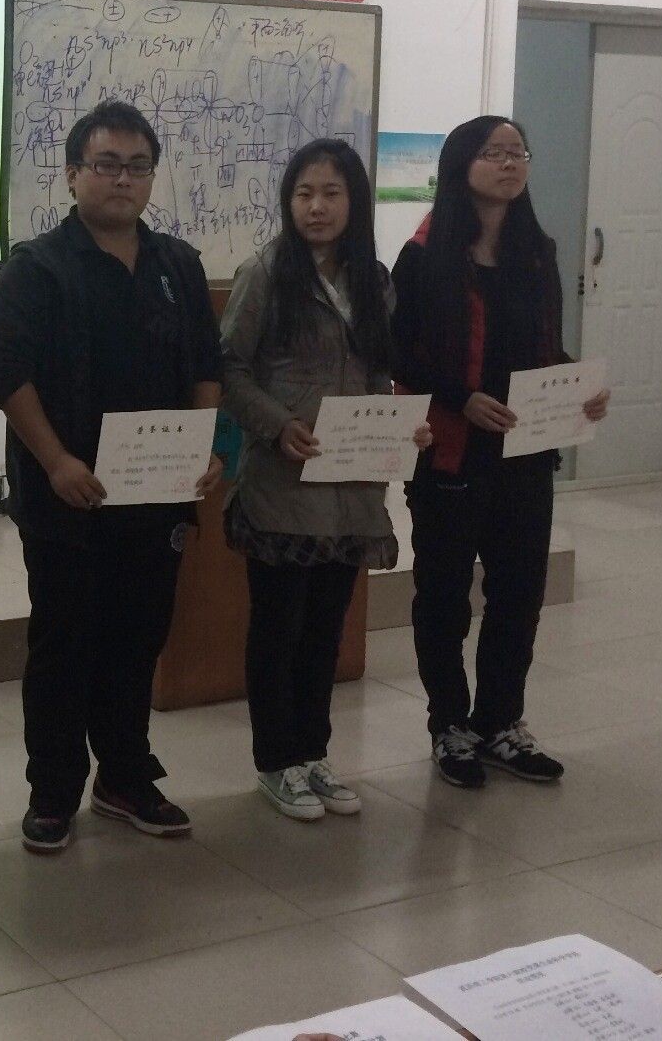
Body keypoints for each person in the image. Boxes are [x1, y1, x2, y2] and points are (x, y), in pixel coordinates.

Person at [0, 98, 224, 854]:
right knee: (64, 646)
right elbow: (6, 370)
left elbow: (206, 366)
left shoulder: (177, 265)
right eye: (106, 164)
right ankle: (53, 790)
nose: (122, 179)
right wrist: (55, 460)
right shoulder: (37, 267)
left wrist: (205, 446)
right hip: (68, 499)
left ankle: (124, 776)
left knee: (137, 640)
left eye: (137, 167)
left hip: (157, 497)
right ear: (72, 173)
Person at [391, 116, 608, 789]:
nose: (510, 163)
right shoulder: (424, 254)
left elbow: (545, 347)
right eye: (494, 153)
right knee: (444, 597)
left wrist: (578, 388)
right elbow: (397, 353)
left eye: (518, 152)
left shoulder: (536, 252)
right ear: (462, 164)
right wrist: (462, 398)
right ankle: (449, 725)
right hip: (452, 452)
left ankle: (500, 722)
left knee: (518, 594)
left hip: (525, 452)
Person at [221, 139, 429, 822]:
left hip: (351, 489)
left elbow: (377, 372)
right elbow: (229, 370)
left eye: (331, 194)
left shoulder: (372, 279)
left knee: (324, 633)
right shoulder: (265, 273)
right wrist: (277, 425)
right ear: (288, 202)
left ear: (353, 202)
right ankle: (275, 762)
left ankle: (313, 754)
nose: (316, 207)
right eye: (304, 193)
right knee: (278, 631)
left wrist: (399, 426)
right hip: (283, 486)